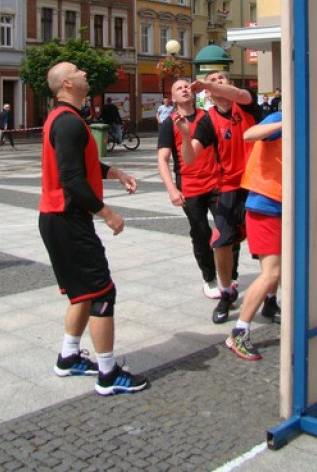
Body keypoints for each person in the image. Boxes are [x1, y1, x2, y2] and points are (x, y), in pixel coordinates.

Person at [39, 61, 148, 395]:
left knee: (82, 293)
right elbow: (72, 179)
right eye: (79, 71)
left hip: (58, 218)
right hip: (67, 219)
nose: (86, 73)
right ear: (68, 84)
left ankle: (69, 357)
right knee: (102, 292)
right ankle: (107, 373)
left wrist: (114, 171)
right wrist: (107, 213)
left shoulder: (65, 119)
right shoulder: (69, 123)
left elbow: (78, 164)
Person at [179, 71, 259, 324]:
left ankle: (269, 298)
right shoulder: (207, 120)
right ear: (209, 95)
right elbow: (190, 158)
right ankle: (226, 292)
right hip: (228, 186)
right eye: (214, 80)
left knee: (266, 246)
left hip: (257, 183)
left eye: (222, 78)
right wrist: (183, 134)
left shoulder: (246, 103)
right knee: (222, 242)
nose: (219, 81)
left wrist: (207, 84)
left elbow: (236, 93)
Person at [226, 111, 283, 360]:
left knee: (287, 270)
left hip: (288, 208)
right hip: (265, 206)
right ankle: (239, 331)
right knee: (271, 272)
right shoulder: (280, 118)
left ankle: (279, 307)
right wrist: (286, 122)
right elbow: (249, 134)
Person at [157, 78, 220, 298]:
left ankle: (230, 274)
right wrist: (172, 190)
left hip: (214, 182)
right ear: (172, 97)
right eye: (178, 88)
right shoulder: (169, 123)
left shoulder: (207, 117)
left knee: (227, 228)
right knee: (201, 232)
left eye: (186, 86)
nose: (184, 89)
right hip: (190, 186)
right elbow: (163, 159)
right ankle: (209, 277)